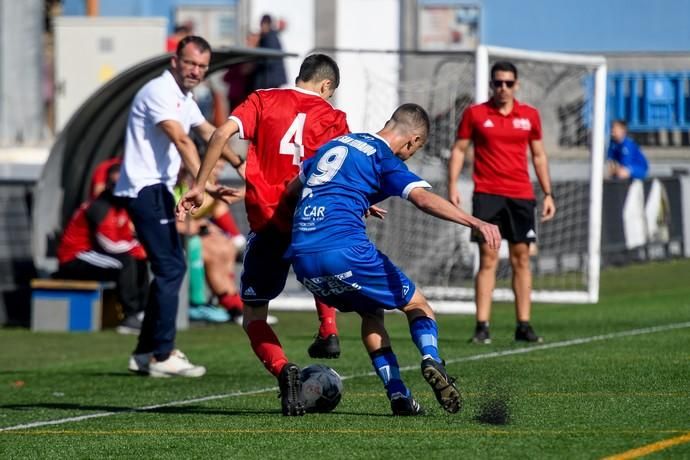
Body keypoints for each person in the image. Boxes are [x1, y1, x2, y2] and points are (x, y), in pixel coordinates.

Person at [286, 104, 501, 415]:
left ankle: (399, 394)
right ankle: (431, 359)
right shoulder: (382, 156)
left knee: (370, 312)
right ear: (412, 141)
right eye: (416, 149)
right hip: (344, 250)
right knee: (417, 305)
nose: (411, 155)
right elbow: (423, 198)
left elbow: (294, 189)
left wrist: (356, 200)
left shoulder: (337, 143)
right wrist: (475, 222)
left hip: (303, 259)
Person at [177, 54, 349, 414]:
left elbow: (222, 132)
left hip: (268, 225)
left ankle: (284, 368)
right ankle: (328, 328)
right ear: (326, 86)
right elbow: (342, 170)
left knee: (254, 316)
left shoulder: (263, 99)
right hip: (312, 222)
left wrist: (201, 184)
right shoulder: (334, 118)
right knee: (320, 275)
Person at [115, 35, 245, 378]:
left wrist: (242, 166)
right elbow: (183, 139)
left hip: (157, 190)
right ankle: (162, 354)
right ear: (175, 61)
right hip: (144, 190)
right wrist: (202, 186)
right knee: (172, 267)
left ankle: (145, 353)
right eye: (190, 63)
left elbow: (209, 133)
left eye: (202, 66)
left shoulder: (182, 97)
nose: (196, 71)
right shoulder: (159, 91)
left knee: (172, 266)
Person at [447, 61, 556, 345]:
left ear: (516, 84)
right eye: (498, 83)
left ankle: (523, 324)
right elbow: (459, 150)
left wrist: (548, 193)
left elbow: (539, 155)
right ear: (491, 85)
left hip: (521, 196)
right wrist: (453, 185)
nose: (503, 88)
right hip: (487, 195)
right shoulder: (475, 114)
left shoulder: (530, 115)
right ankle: (482, 326)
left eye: (508, 83)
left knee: (522, 260)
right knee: (488, 259)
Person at [56, 163, 148, 335]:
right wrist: (136, 247)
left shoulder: (122, 206)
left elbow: (124, 238)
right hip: (75, 257)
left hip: (95, 254)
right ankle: (129, 316)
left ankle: (142, 311)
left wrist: (139, 249)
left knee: (139, 258)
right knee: (125, 263)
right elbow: (109, 244)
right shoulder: (100, 206)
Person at [252, 14, 287, 90]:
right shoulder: (268, 36)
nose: (262, 27)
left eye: (264, 24)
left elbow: (270, 58)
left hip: (271, 79)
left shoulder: (270, 37)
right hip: (271, 78)